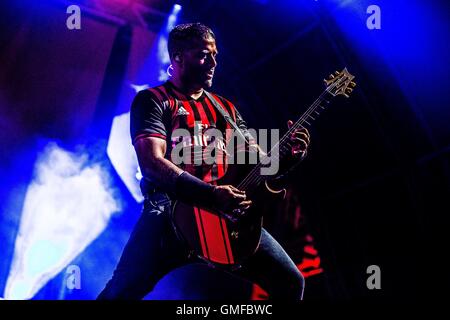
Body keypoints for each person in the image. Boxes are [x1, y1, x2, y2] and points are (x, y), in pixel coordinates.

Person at [97, 22, 310, 300]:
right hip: (167, 216)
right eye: (203, 55)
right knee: (119, 293)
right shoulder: (153, 101)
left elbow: (258, 164)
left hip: (222, 221)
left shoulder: (226, 109)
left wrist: (287, 160)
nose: (213, 62)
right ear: (178, 58)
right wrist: (211, 195)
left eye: (215, 55)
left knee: (291, 283)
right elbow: (151, 163)